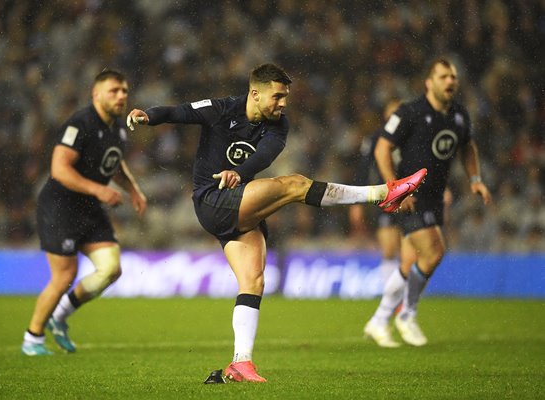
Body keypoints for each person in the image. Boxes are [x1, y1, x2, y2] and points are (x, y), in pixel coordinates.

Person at [127, 63, 426, 381]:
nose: (283, 103)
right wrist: (149, 115)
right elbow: (180, 112)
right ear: (255, 93)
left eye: (285, 97)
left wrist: (240, 174)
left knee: (253, 282)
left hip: (238, 205)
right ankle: (383, 192)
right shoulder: (221, 109)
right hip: (211, 201)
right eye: (278, 96)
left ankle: (240, 362)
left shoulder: (278, 126)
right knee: (295, 184)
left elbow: (262, 158)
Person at [363, 57, 491, 348]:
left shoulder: (459, 115)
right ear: (429, 82)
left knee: (409, 263)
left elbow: (468, 146)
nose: (450, 82)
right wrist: (396, 188)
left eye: (453, 77)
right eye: (444, 76)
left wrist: (475, 179)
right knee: (434, 252)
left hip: (434, 196)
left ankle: (379, 320)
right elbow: (382, 148)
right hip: (409, 197)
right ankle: (407, 315)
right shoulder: (410, 112)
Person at [21, 69, 147, 356]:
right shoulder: (80, 123)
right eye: (114, 91)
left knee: (111, 269)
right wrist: (99, 190)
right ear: (96, 94)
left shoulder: (117, 128)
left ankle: (59, 316)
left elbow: (114, 163)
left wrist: (134, 189)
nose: (121, 96)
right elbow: (59, 169)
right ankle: (32, 338)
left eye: (124, 91)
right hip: (60, 207)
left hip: (89, 208)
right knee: (65, 276)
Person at [349, 99, 404, 286]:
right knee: (389, 250)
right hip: (387, 198)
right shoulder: (375, 139)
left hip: (412, 198)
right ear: (385, 116)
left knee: (408, 250)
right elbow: (363, 170)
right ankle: (390, 295)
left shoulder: (415, 137)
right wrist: (357, 204)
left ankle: (406, 297)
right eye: (391, 113)